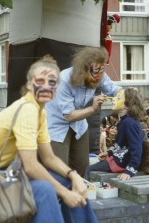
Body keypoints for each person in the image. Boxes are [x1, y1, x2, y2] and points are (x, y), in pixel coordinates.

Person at [0, 55, 99, 223]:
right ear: (29, 85)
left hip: (8, 174)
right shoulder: (27, 110)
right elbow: (31, 166)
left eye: (51, 82)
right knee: (44, 190)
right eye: (39, 81)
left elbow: (49, 158)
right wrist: (66, 194)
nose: (45, 86)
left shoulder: (40, 112)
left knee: (67, 181)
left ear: (56, 88)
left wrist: (75, 176)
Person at [45, 47, 122, 177]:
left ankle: (78, 193)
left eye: (101, 71)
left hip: (79, 125)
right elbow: (69, 116)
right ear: (83, 69)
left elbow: (113, 89)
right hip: (57, 125)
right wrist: (92, 108)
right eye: (95, 73)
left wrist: (126, 93)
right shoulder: (63, 80)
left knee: (82, 166)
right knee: (59, 169)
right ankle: (60, 196)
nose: (99, 77)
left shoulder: (99, 72)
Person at [84, 88, 145, 181]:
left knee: (89, 170)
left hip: (121, 164)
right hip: (118, 160)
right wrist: (109, 153)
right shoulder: (124, 121)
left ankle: (85, 194)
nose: (113, 99)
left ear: (128, 106)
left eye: (118, 97)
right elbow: (123, 146)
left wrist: (130, 170)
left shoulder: (129, 123)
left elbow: (136, 148)